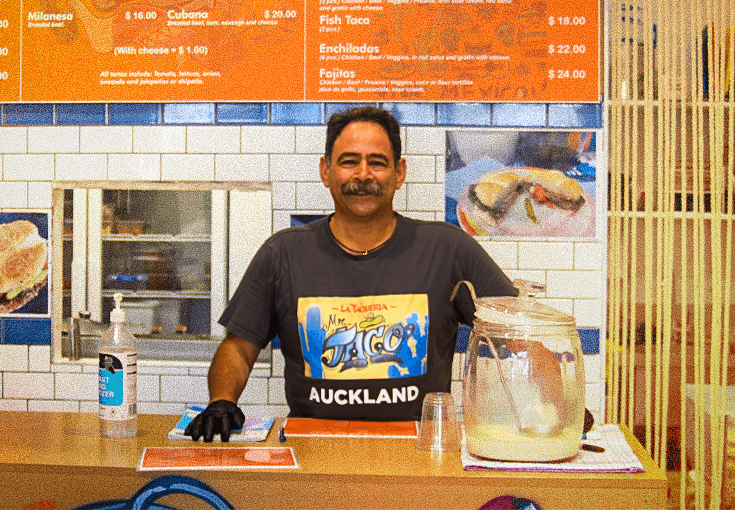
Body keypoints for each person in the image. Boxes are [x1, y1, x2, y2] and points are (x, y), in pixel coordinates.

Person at [185, 106, 516, 442]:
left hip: (417, 454)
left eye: (377, 162)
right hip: (312, 452)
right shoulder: (282, 254)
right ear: (325, 171)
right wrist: (221, 401)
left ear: (399, 173)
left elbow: (520, 335)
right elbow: (239, 349)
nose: (363, 174)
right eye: (348, 161)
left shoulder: (448, 249)